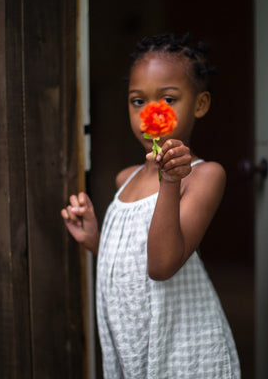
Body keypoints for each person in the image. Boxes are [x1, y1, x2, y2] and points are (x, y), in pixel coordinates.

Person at [61, 33, 240, 378]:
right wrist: (96, 241)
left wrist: (169, 181)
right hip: (133, 342)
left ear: (200, 105)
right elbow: (134, 267)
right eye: (137, 101)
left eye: (168, 98)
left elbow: (160, 266)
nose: (150, 113)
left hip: (182, 346)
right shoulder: (124, 179)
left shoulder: (205, 176)